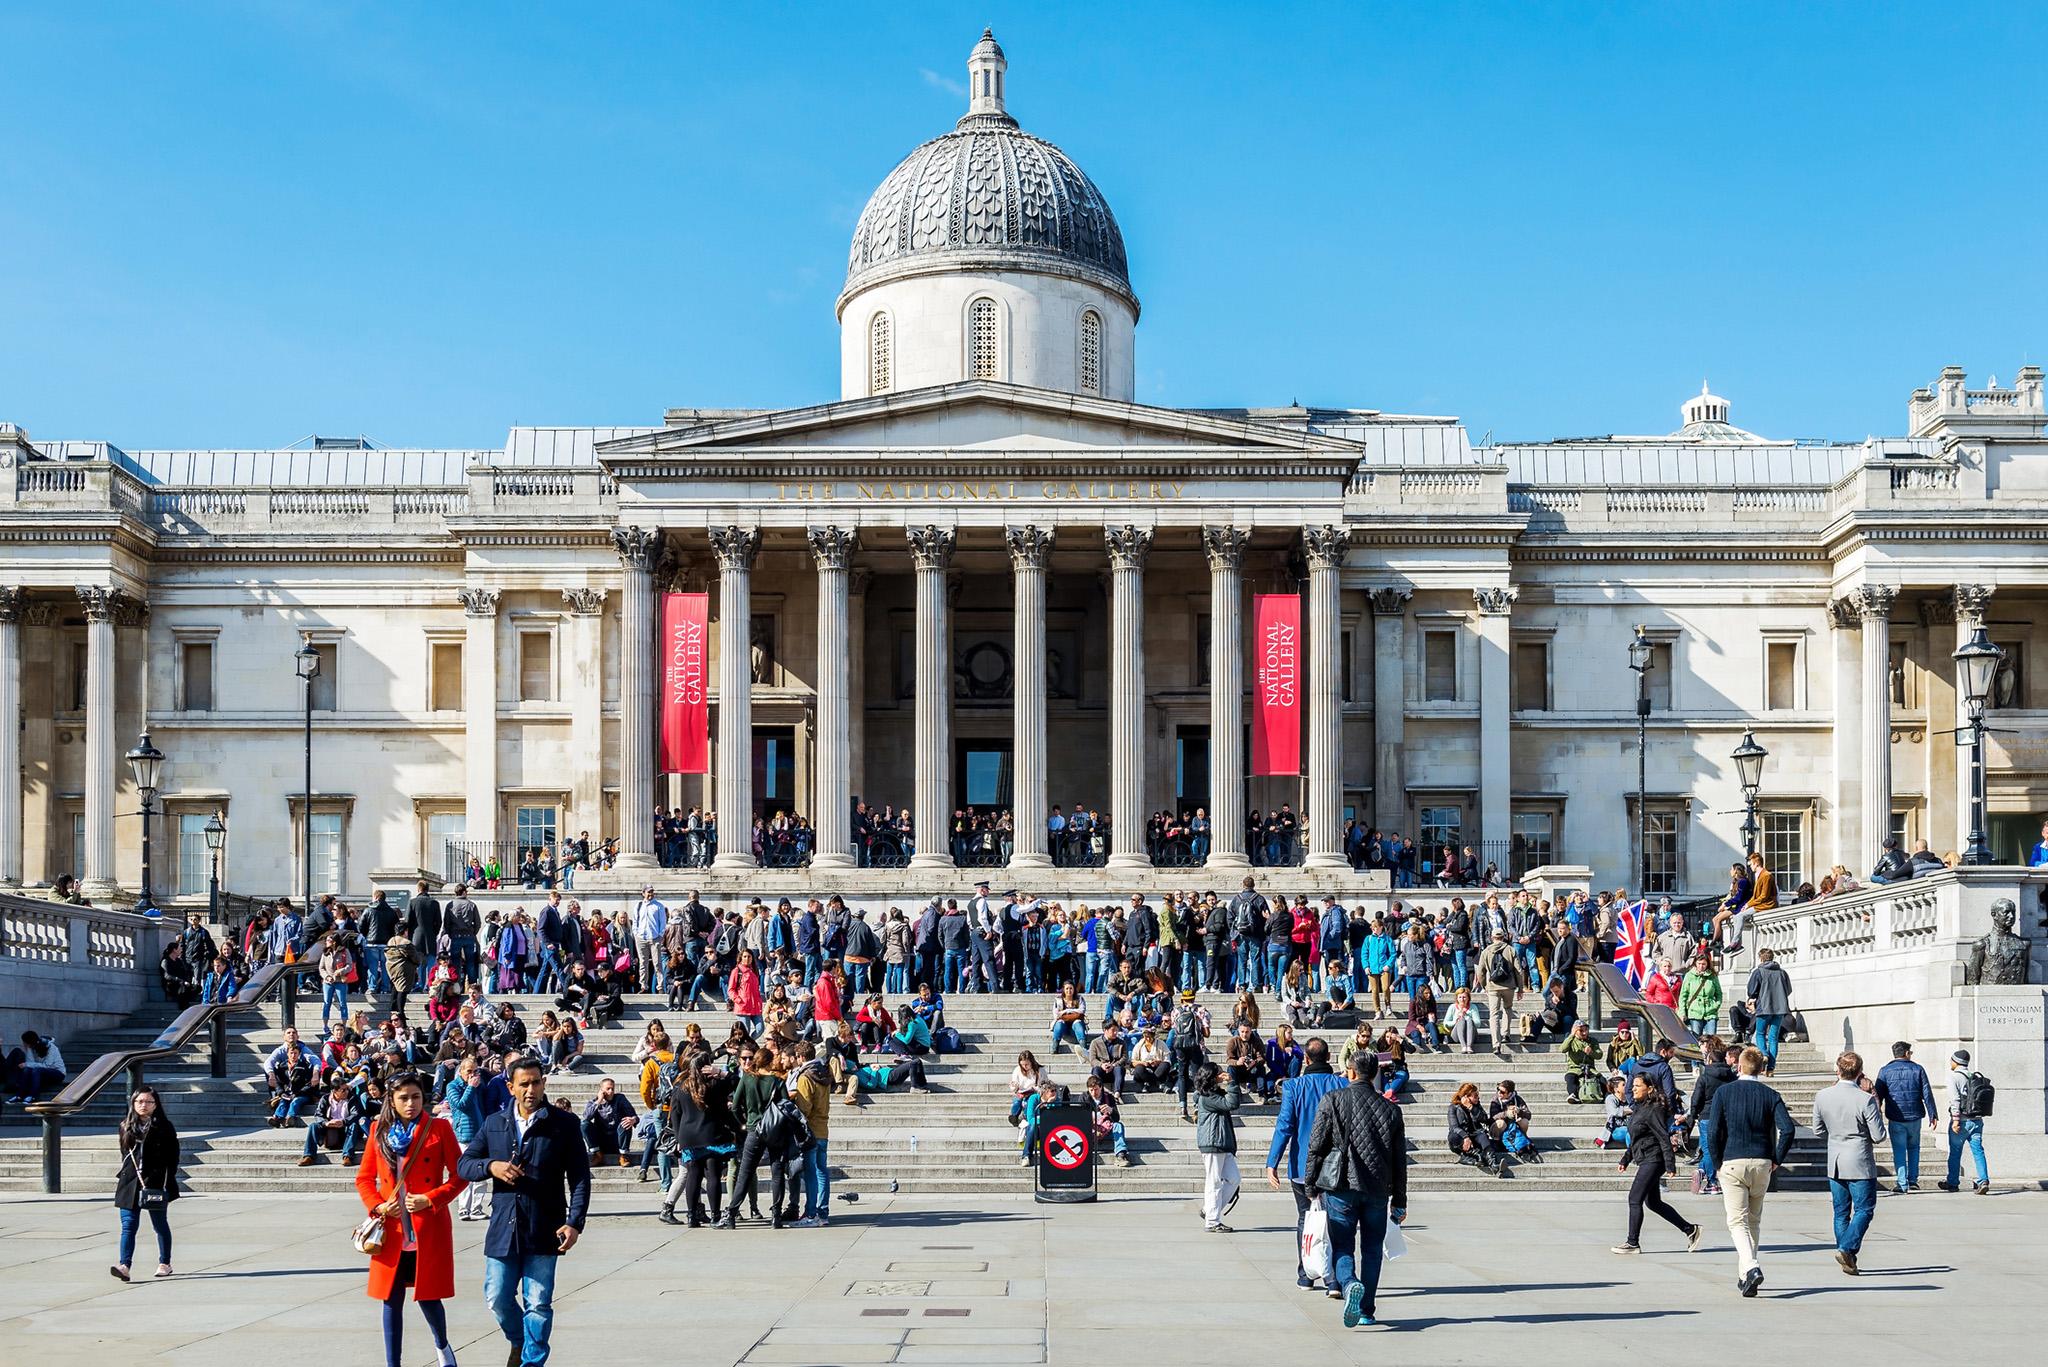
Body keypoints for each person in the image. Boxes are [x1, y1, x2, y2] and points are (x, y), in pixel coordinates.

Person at [456, 1055, 592, 1367]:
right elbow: (464, 1165)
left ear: (544, 1083)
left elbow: (580, 1177)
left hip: (545, 1227)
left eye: (536, 1082)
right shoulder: (494, 1123)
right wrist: (492, 1166)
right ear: (510, 1087)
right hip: (504, 1226)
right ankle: (519, 1340)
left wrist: (575, 1222)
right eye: (524, 1084)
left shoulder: (564, 1124)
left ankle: (532, 1362)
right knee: (497, 1296)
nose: (531, 1089)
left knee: (539, 1303)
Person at [355, 1071, 464, 1367]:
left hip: (427, 1227)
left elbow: (460, 1176)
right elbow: (364, 1179)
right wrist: (378, 1207)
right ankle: (393, 1363)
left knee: (429, 1296)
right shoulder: (379, 1129)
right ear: (391, 1099)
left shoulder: (439, 1128)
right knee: (390, 1299)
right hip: (390, 1229)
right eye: (403, 1098)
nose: (411, 1103)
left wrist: (432, 1198)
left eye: (416, 1097)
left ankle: (443, 1349)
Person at [1303, 1044, 1409, 1329]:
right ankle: (1366, 1310)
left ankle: (1349, 1284)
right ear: (1375, 1074)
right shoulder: (1390, 1109)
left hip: (1340, 1186)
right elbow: (1400, 1160)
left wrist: (1310, 1183)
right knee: (1373, 1250)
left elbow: (1316, 1146)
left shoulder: (1333, 1099)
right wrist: (1400, 1200)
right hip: (1376, 1188)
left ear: (1350, 1071)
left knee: (1343, 1247)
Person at [1700, 1045, 1796, 1297]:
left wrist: (1717, 1162)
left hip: (1733, 1160)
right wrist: (1776, 1159)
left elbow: (1713, 1131)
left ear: (1739, 1066)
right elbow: (1788, 1129)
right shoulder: (1770, 1094)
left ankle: (1751, 1267)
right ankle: (1745, 1276)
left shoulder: (1724, 1092)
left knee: (1736, 1221)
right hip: (1763, 1161)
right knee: (1753, 1220)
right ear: (1761, 1069)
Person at [1264, 1036, 1348, 1289]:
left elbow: (1284, 1126)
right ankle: (1333, 1277)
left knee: (1305, 1218)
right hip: (1335, 1165)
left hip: (1302, 1165)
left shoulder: (1294, 1087)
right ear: (1329, 1058)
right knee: (1335, 1219)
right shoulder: (1342, 1084)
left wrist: (1272, 1162)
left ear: (1306, 1059)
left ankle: (1306, 1273)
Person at [1611, 1070, 1702, 1255]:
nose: (1633, 1089)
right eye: (1633, 1085)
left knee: (1634, 1198)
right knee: (1653, 1202)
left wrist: (1670, 1164)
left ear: (1649, 1088)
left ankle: (1632, 1242)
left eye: (1638, 1086)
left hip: (1654, 1159)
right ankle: (1690, 1229)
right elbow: (1636, 1137)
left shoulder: (1654, 1109)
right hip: (1645, 1156)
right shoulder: (1640, 1107)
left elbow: (1663, 1136)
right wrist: (1626, 1159)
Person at [1812, 1050, 1886, 1274]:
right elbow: (1879, 1135)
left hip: (1835, 1158)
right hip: (1859, 1159)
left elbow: (1817, 1130)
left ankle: (1847, 1256)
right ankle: (1847, 1249)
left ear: (1838, 1070)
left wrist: (1836, 1136)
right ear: (1860, 1073)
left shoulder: (1822, 1096)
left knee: (1841, 1212)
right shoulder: (1865, 1099)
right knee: (1865, 1208)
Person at [657, 1055, 740, 1228]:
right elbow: (736, 1082)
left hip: (688, 1136)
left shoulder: (681, 1087)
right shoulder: (715, 1086)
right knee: (713, 1175)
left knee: (693, 1175)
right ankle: (715, 1215)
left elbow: (675, 1114)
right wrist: (721, 1073)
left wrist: (679, 1138)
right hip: (711, 1135)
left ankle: (691, 1215)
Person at [110, 1084, 179, 1282]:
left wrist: (167, 1179)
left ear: (156, 1105)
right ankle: (124, 1266)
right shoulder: (125, 1125)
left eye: (149, 1102)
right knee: (128, 1226)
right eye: (139, 1101)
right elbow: (125, 1155)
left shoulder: (164, 1127)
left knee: (160, 1224)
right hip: (129, 1182)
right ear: (133, 1103)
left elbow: (173, 1156)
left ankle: (165, 1262)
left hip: (155, 1181)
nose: (144, 1105)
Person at [1873, 1041, 1940, 1194]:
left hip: (1895, 1117)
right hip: (1915, 1116)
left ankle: (1902, 1183)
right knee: (1914, 1147)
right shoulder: (1918, 1069)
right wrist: (1933, 1114)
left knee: (1899, 1150)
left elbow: (1878, 1096)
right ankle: (1913, 1180)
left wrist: (1876, 1116)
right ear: (1907, 1053)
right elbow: (1927, 1093)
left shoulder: (1885, 1071)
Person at [1192, 1063, 1241, 1232]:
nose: (1223, 1074)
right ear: (1212, 1077)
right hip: (1213, 1142)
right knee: (1214, 1182)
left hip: (1222, 1143)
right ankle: (1212, 1221)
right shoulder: (1208, 1096)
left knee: (1234, 1178)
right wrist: (1232, 1083)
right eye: (1219, 1073)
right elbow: (1231, 1104)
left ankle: (1209, 1209)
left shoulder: (1212, 1094)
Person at [1938, 1049, 1992, 1195]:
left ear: (1956, 1062)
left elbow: (1954, 1100)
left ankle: (1953, 1182)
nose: (1950, 1062)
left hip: (1961, 1121)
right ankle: (1984, 1180)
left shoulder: (1954, 1077)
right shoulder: (1974, 1076)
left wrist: (1955, 1121)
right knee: (1978, 1151)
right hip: (1977, 1120)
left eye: (1951, 1060)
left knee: (1955, 1152)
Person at [1474, 930, 1524, 1057]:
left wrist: (1485, 985)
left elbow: (1480, 971)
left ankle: (1496, 1044)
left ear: (1492, 937)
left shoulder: (1486, 951)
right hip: (1509, 986)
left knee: (1494, 1014)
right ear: (1504, 937)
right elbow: (1519, 970)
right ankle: (1505, 1033)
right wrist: (1520, 988)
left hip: (1493, 986)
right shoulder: (1510, 949)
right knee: (1508, 1008)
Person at [1744, 948, 1793, 1074]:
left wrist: (1753, 998)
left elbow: (1752, 990)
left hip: (1764, 1007)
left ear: (1761, 958)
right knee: (1773, 1038)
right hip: (1780, 1008)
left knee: (1760, 1033)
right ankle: (1770, 1068)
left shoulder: (1758, 972)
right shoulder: (1782, 972)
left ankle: (1764, 1054)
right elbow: (1788, 990)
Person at [1446, 1081, 1509, 1177]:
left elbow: (1484, 1119)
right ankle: (1476, 1155)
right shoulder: (1453, 1107)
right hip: (1460, 1140)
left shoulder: (1476, 1105)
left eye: (1477, 1095)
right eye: (1475, 1096)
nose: (1478, 1098)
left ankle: (1494, 1165)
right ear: (1466, 1097)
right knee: (1452, 1136)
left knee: (1483, 1136)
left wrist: (1471, 1107)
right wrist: (1465, 1137)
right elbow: (1454, 1127)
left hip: (1475, 1136)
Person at [579, 1076, 639, 1167]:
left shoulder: (620, 1099)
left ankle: (623, 1156)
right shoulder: (594, 1102)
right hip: (601, 1139)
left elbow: (634, 1116)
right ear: (601, 1090)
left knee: (626, 1122)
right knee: (584, 1124)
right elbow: (586, 1117)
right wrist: (599, 1101)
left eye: (612, 1089)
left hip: (617, 1139)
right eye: (608, 1089)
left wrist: (633, 1120)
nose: (611, 1091)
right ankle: (597, 1155)